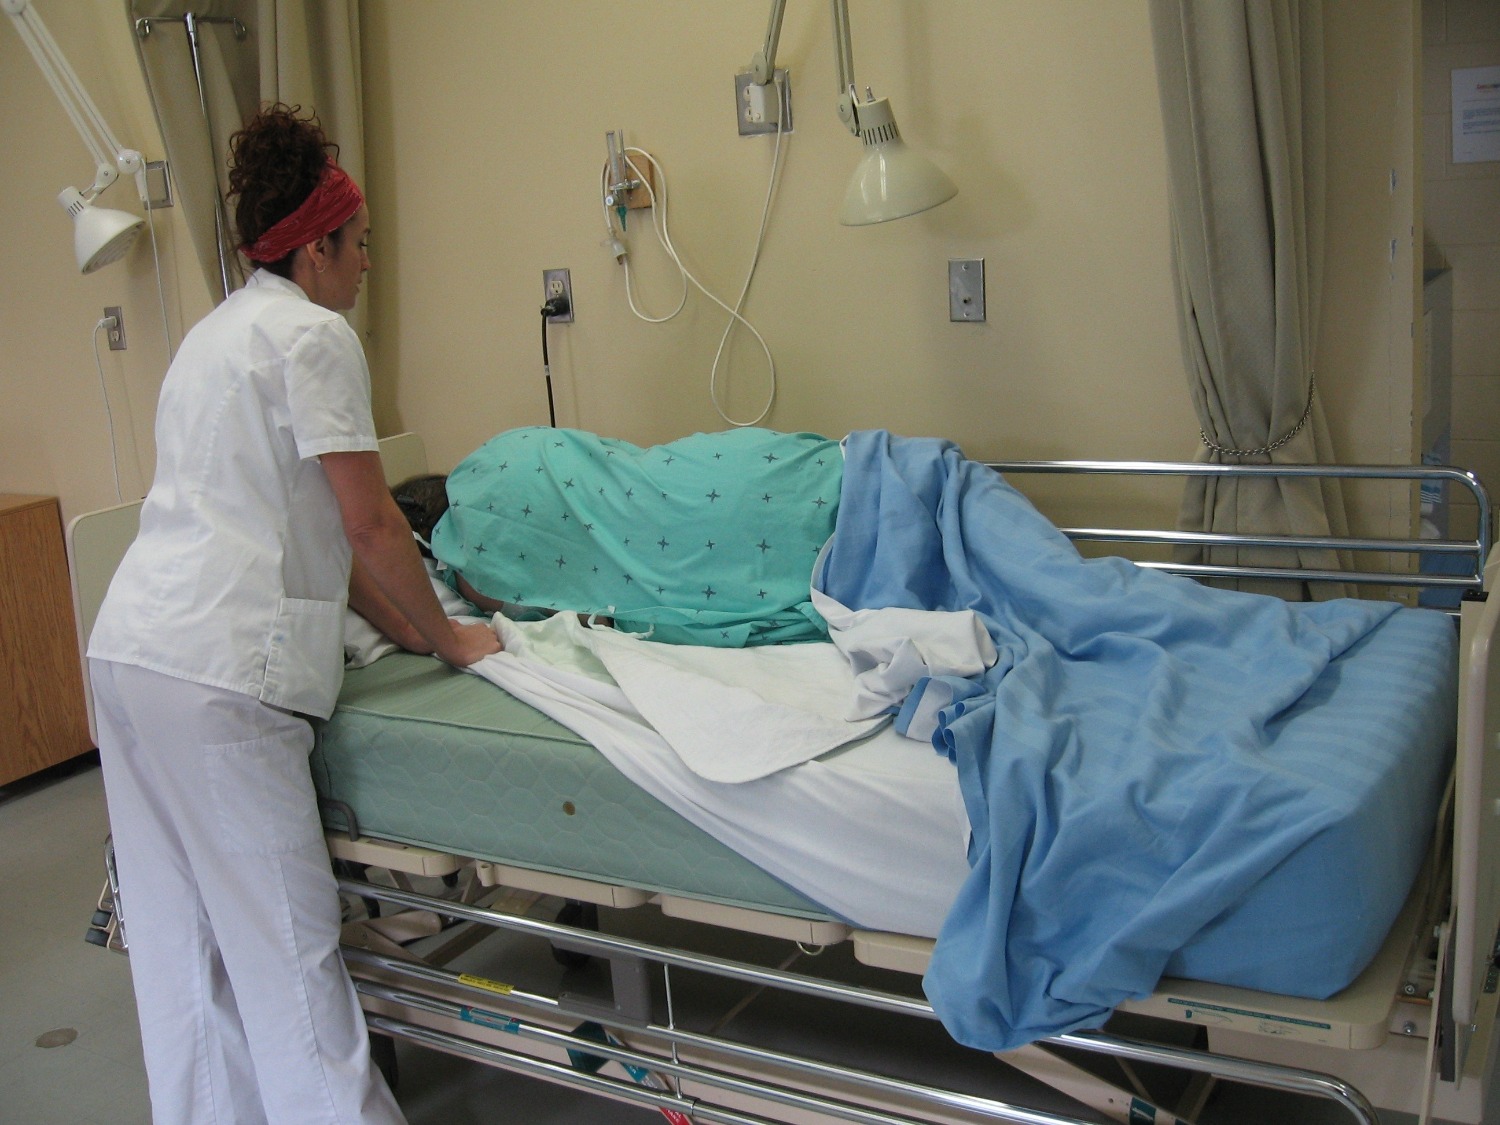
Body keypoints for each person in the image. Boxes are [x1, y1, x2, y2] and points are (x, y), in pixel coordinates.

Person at [86, 104, 500, 1124]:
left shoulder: (212, 337)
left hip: (130, 653)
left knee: (185, 954)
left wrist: (411, 630)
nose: (367, 263)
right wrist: (453, 639)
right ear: (317, 248)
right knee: (289, 963)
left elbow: (311, 530)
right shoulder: (315, 338)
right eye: (359, 244)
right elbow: (369, 522)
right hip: (219, 678)